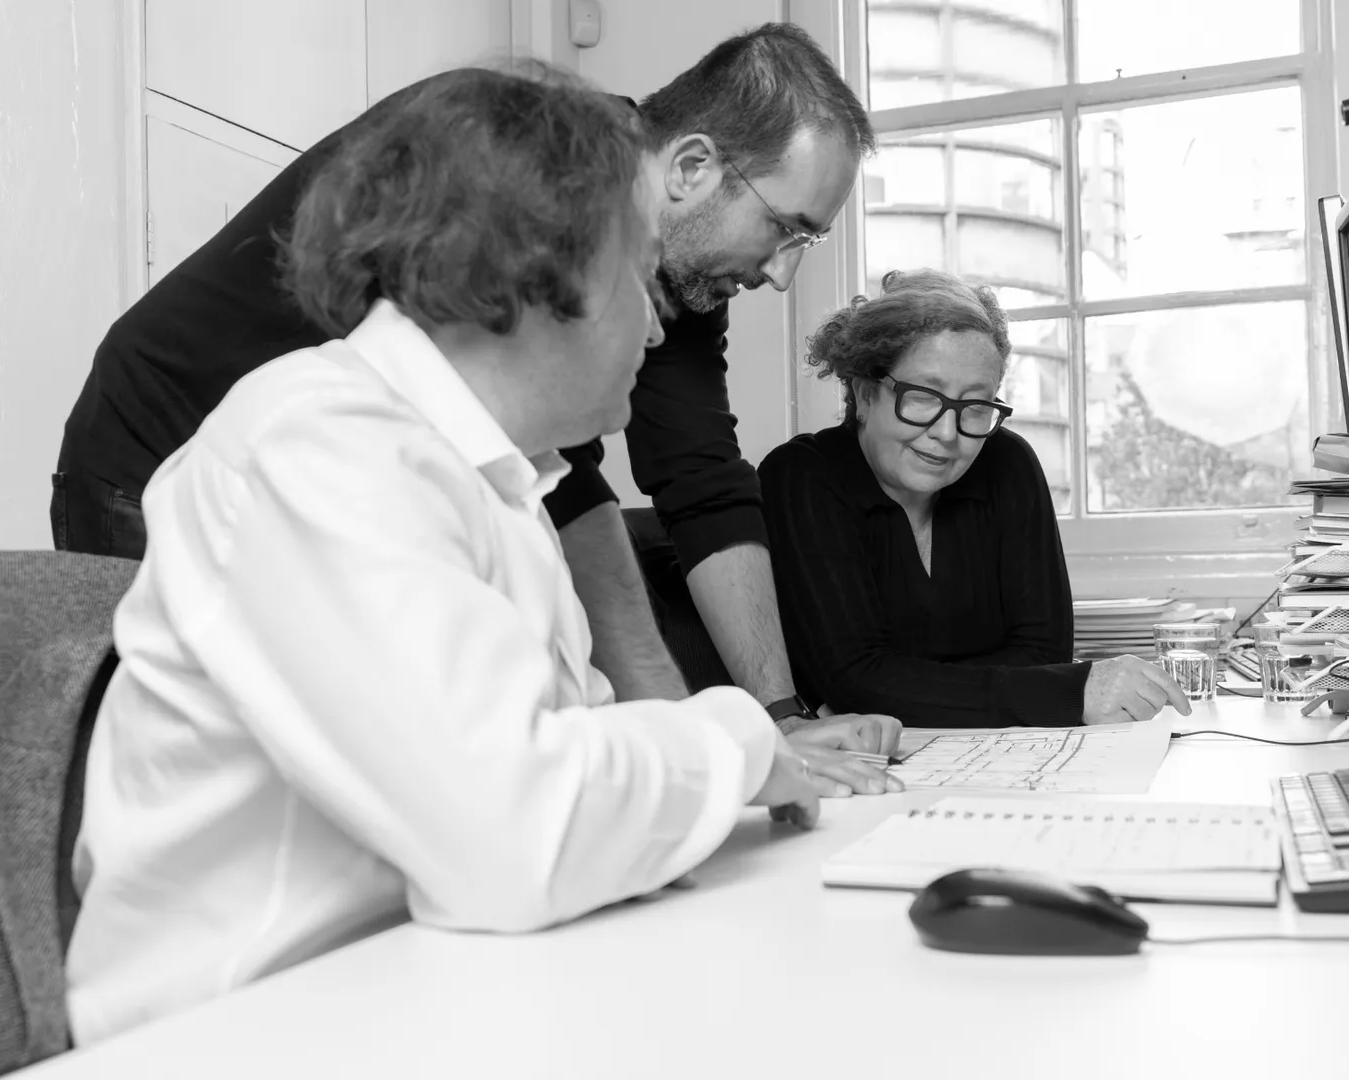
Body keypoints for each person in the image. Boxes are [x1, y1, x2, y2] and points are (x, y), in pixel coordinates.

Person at [65, 66, 829, 1045]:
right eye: (640, 279)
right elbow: (523, 833)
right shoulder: (315, 446)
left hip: (427, 996)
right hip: (239, 1034)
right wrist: (740, 740)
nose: (658, 322)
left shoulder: (498, 484)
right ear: (529, 276)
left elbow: (586, 762)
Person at [51, 25, 902, 790]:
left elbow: (699, 478)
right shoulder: (500, 171)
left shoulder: (666, 273)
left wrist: (770, 724)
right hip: (164, 452)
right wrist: (719, 755)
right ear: (691, 168)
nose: (783, 275)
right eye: (787, 230)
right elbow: (500, 799)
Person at [758, 269, 1193, 728]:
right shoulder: (802, 476)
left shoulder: (1007, 462)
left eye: (976, 406)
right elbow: (856, 681)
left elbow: (1044, 652)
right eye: (924, 397)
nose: (948, 433)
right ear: (865, 393)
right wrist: (1059, 690)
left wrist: (908, 688)